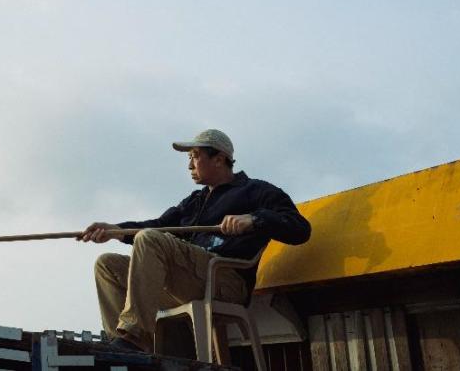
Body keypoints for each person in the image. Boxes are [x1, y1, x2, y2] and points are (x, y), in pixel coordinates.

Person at [78, 129, 311, 356]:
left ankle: (134, 337)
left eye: (195, 156)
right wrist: (116, 230)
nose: (189, 165)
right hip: (191, 281)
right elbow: (160, 224)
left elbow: (300, 229)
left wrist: (254, 219)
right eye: (189, 158)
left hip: (225, 282)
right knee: (107, 264)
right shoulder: (194, 201)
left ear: (219, 159)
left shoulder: (256, 191)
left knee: (148, 238)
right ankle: (120, 347)